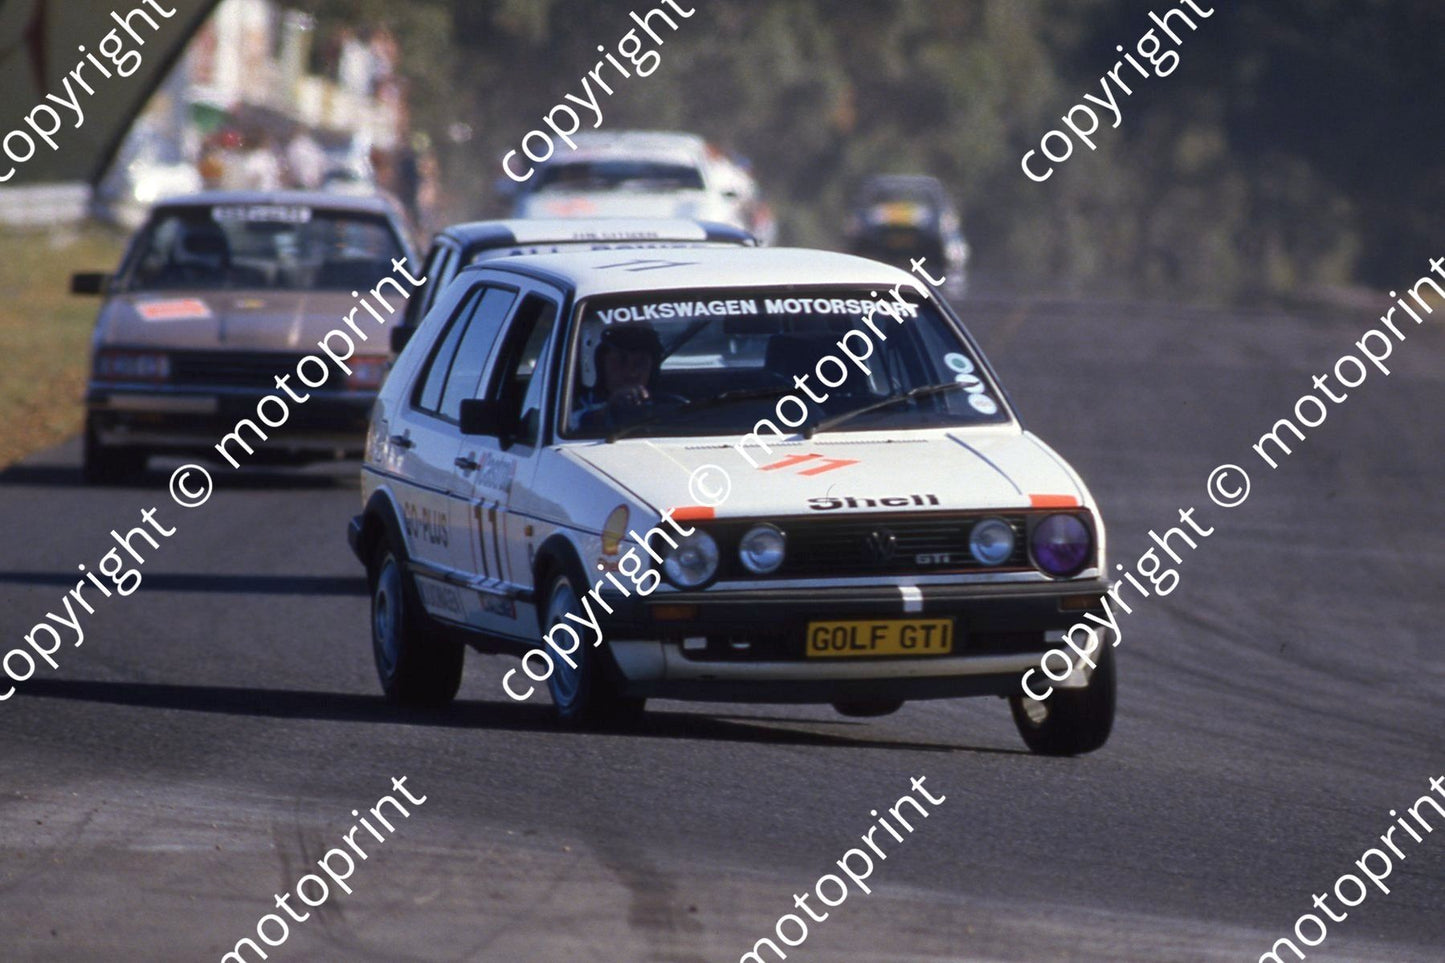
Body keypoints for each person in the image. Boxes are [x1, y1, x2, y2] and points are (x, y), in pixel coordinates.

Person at [571, 321, 677, 433]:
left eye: (640, 363)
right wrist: (607, 412)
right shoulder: (567, 406)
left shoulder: (668, 405)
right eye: (620, 361)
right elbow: (574, 423)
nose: (632, 372)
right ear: (600, 365)